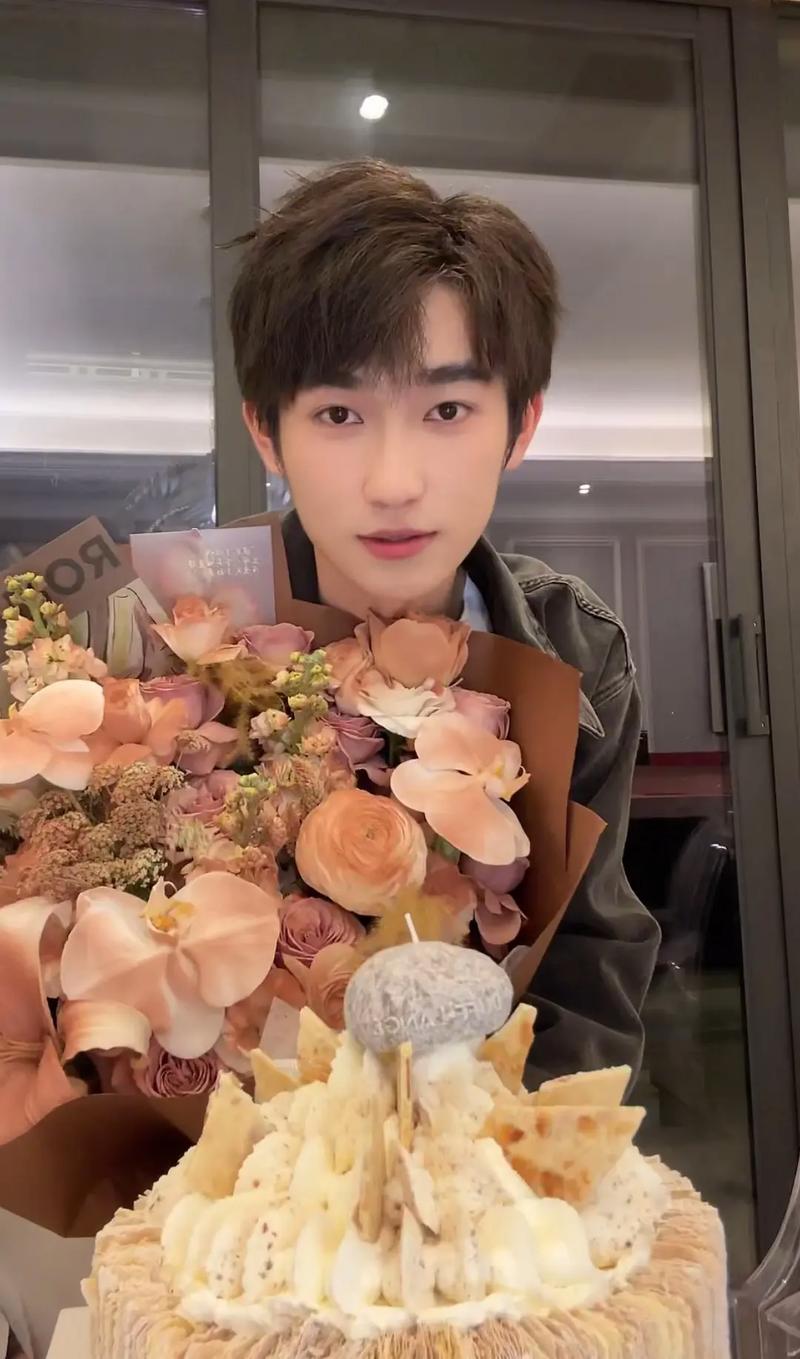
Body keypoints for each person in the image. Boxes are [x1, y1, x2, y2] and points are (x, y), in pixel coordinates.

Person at [229, 159, 660, 1085]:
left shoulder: (576, 648)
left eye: (448, 408)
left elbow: (588, 975)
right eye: (339, 412)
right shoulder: (182, 638)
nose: (394, 481)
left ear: (521, 426)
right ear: (267, 430)